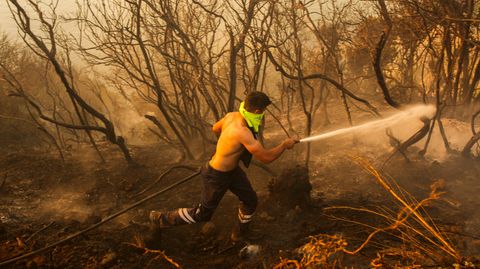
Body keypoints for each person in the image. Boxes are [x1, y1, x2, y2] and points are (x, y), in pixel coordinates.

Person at [149, 91, 296, 242]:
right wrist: (284, 145)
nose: (263, 114)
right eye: (263, 111)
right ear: (258, 111)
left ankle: (239, 234)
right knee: (202, 214)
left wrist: (225, 147)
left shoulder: (231, 116)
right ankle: (161, 219)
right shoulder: (243, 132)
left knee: (250, 200)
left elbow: (215, 128)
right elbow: (266, 157)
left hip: (232, 172)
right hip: (216, 175)